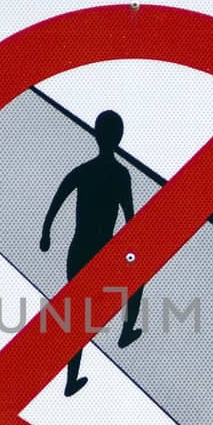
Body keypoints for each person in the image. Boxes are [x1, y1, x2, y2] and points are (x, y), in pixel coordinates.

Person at [40, 109, 143, 396]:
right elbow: (130, 218)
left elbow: (58, 198)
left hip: (78, 252)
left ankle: (71, 379)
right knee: (137, 278)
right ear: (118, 139)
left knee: (77, 319)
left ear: (97, 135)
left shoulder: (84, 170)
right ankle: (126, 331)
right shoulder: (121, 174)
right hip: (102, 253)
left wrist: (46, 232)